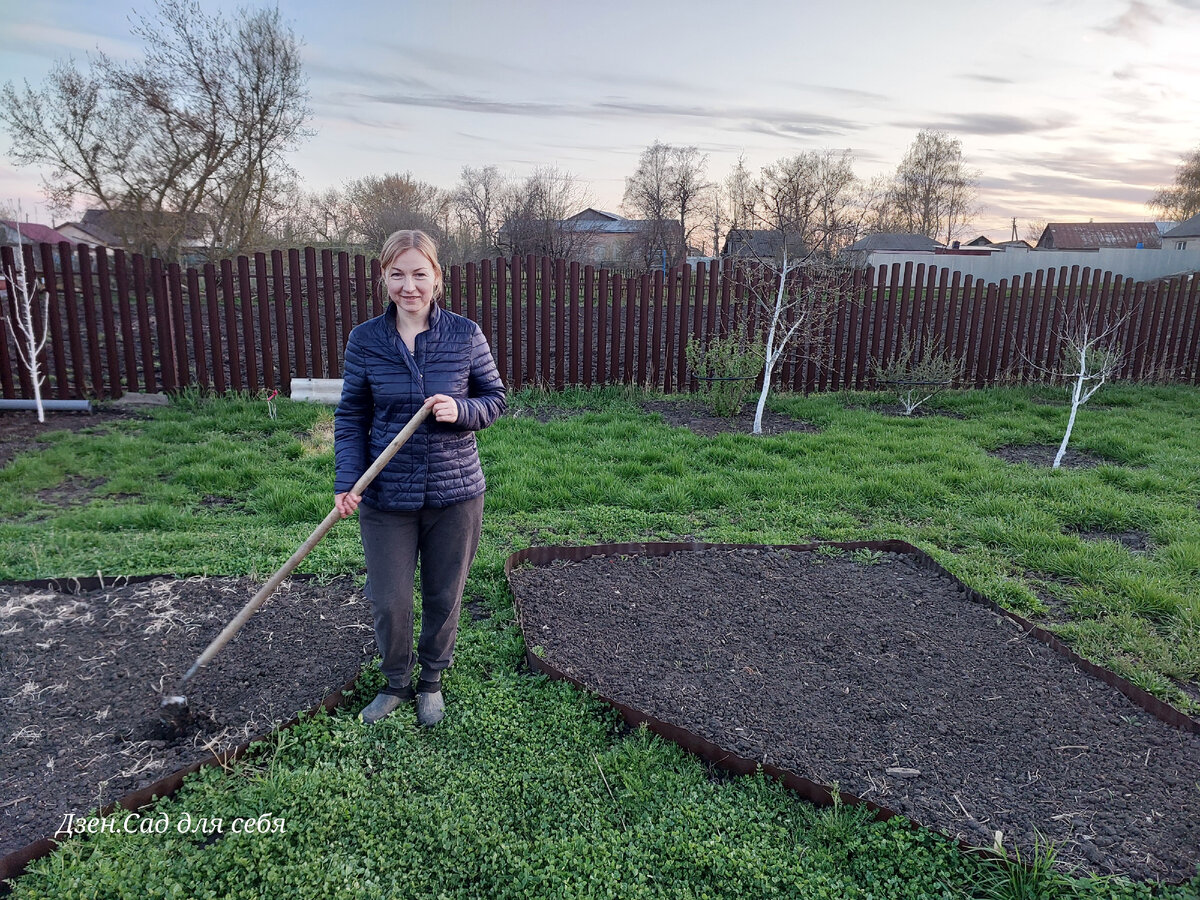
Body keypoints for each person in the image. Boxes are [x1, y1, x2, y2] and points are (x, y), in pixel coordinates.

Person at [334, 229, 506, 726]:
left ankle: (430, 680)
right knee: (389, 598)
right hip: (385, 492)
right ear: (384, 277)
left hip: (454, 492)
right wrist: (349, 481)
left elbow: (495, 399)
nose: (409, 286)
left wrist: (462, 408)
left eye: (419, 274)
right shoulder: (365, 340)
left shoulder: (464, 334)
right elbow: (351, 416)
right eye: (397, 274)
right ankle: (396, 682)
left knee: (443, 593)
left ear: (436, 277)